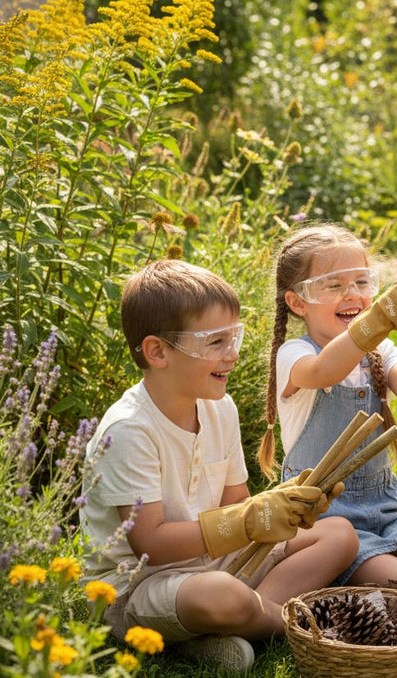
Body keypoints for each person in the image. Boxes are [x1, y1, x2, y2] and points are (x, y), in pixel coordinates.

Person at [81, 260, 357, 673]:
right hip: (140, 587)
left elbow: (238, 504)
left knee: (339, 534)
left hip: (217, 564)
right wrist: (248, 521)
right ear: (158, 351)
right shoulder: (129, 430)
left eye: (235, 337)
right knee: (221, 595)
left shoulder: (219, 407)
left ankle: (231, 627)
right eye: (215, 342)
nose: (233, 354)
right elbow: (150, 544)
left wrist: (281, 507)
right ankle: (301, 626)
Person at [259, 224, 397, 591]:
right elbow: (325, 370)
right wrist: (379, 318)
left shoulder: (379, 352)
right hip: (323, 516)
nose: (352, 294)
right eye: (334, 285)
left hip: (385, 507)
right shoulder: (295, 355)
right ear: (297, 302)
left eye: (362, 283)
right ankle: (331, 581)